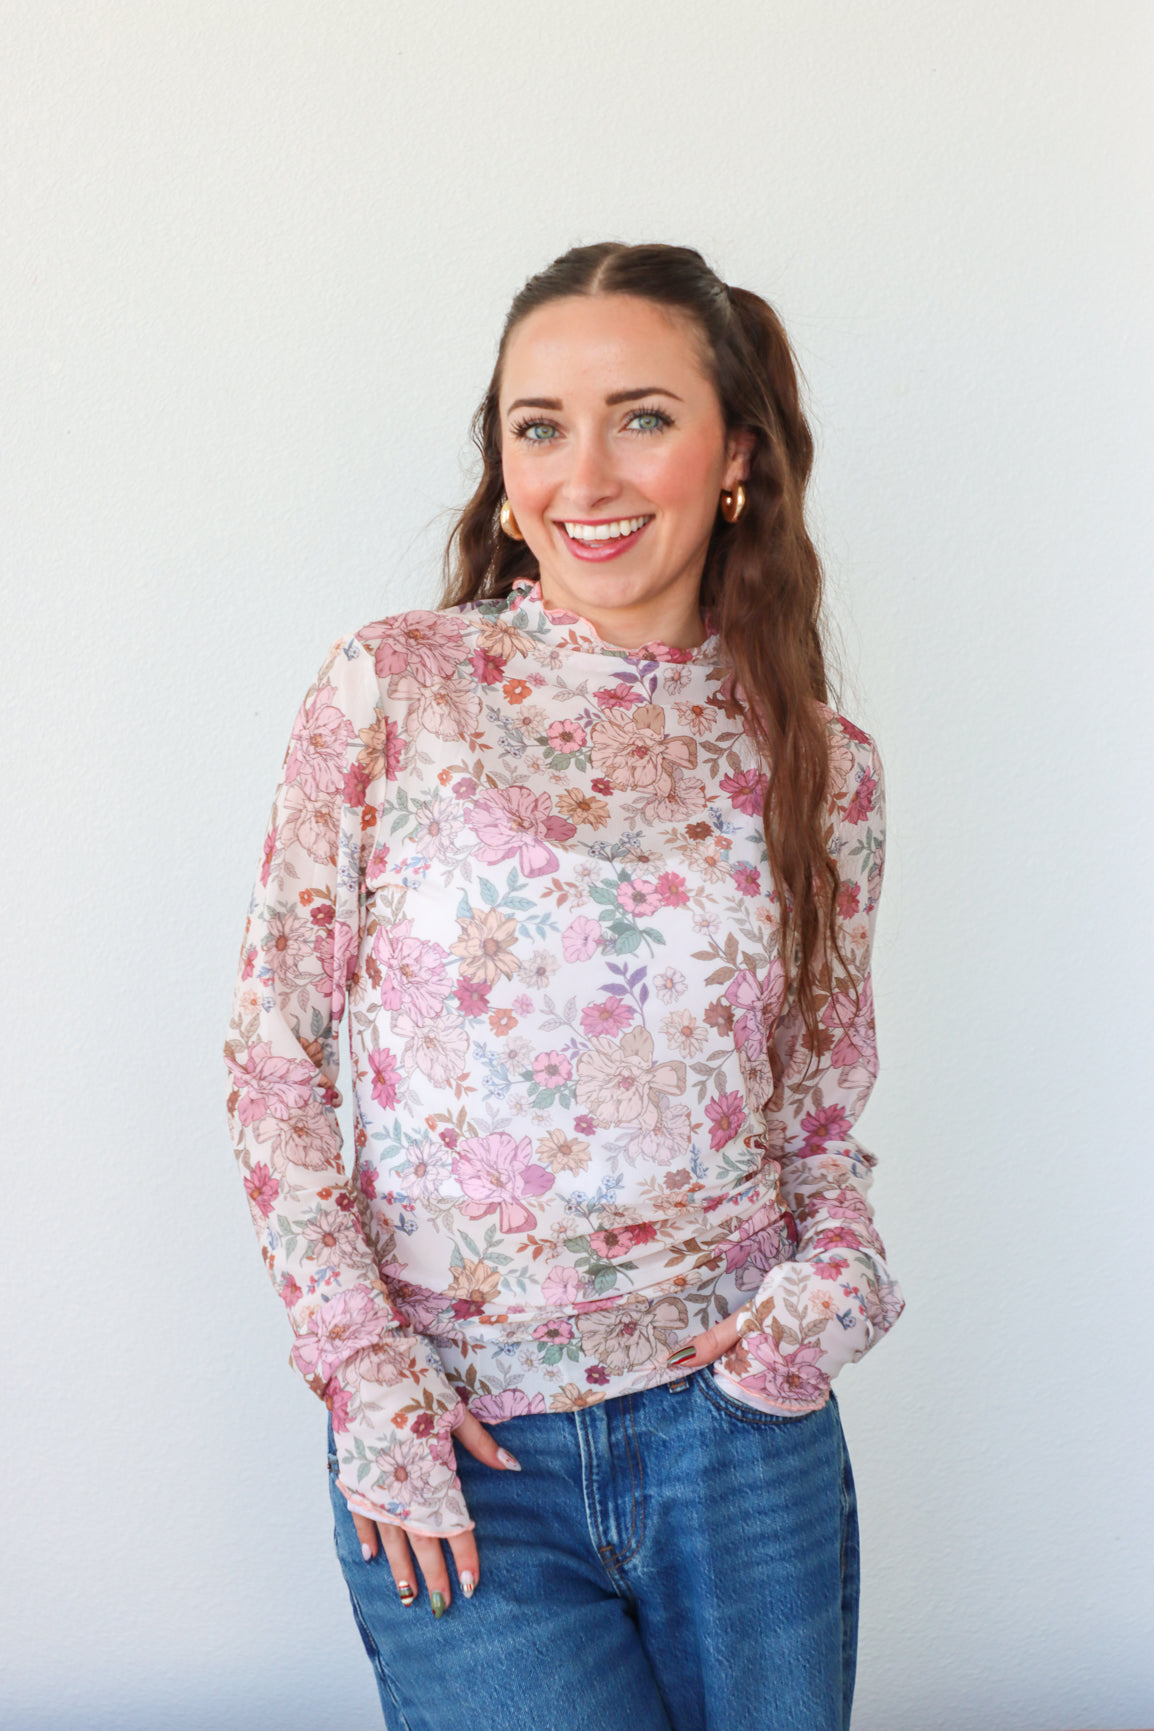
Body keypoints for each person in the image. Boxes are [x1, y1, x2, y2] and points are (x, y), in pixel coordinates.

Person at [225, 241, 904, 1731]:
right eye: (538, 425)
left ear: (737, 454)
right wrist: (367, 1383)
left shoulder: (820, 766)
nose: (582, 474)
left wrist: (825, 1301)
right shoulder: (393, 689)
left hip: (740, 1439)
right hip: (464, 1455)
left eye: (641, 416)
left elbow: (813, 1118)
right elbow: (276, 1062)